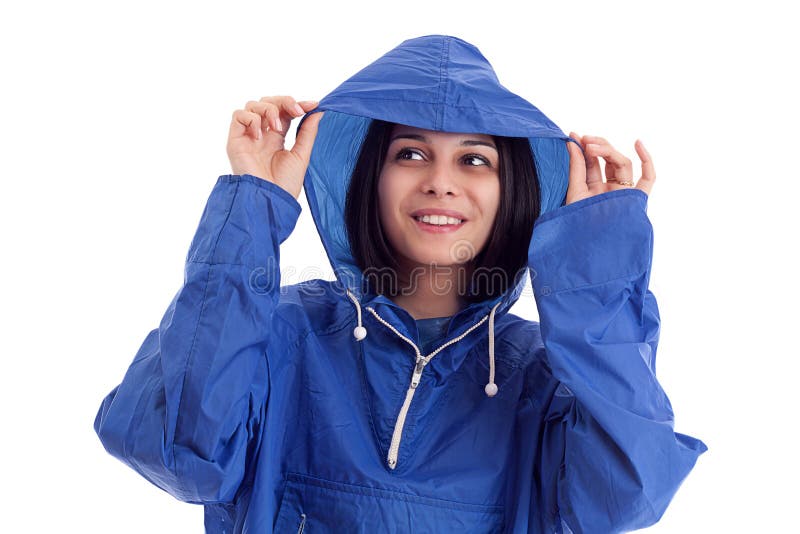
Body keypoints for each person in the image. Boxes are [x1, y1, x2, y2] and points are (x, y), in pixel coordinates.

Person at [94, 35, 708, 533]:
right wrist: (254, 205)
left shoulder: (543, 381)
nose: (441, 182)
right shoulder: (278, 334)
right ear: (368, 178)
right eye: (410, 154)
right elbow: (176, 451)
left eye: (475, 159)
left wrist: (595, 256)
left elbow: (628, 494)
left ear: (512, 190)